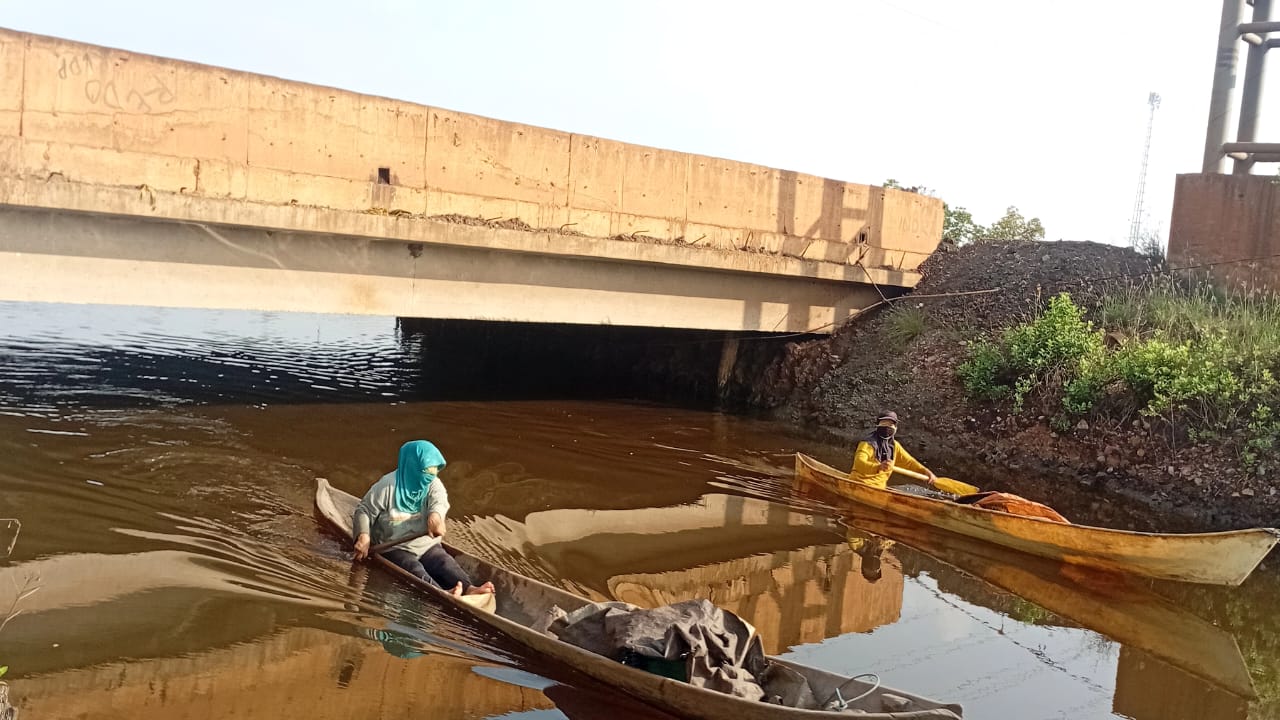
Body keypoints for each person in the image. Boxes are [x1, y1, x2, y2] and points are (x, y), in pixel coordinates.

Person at [352, 440, 494, 597]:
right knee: (413, 567)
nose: (430, 476)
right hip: (394, 546)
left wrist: (436, 517)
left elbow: (439, 502)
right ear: (413, 466)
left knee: (444, 562)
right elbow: (364, 510)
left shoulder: (433, 484)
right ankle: (443, 593)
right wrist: (363, 536)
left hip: (425, 544)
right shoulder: (387, 486)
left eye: (434, 471)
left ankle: (469, 589)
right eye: (426, 471)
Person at [849, 411, 938, 489]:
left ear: (895, 428)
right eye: (884, 423)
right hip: (859, 484)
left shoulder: (895, 446)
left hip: (880, 487)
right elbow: (859, 463)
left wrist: (926, 471)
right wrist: (879, 467)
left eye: (890, 424)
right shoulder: (867, 444)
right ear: (877, 425)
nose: (887, 427)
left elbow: (909, 463)